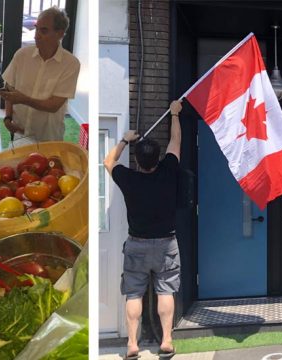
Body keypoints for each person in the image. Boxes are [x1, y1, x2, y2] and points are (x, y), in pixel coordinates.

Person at [104, 100, 183, 360]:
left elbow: (108, 161)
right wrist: (174, 114)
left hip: (137, 244)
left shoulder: (129, 178)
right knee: (166, 291)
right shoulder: (169, 171)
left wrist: (125, 139)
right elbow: (176, 142)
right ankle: (167, 341)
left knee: (134, 293)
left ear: (137, 160)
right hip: (166, 245)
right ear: (158, 158)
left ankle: (132, 345)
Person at [0, 6, 80, 145]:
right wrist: (7, 117)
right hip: (20, 133)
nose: (36, 35)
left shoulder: (71, 64)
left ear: (60, 34)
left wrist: (23, 99)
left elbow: (53, 106)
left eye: (43, 31)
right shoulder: (22, 55)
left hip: (49, 137)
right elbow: (9, 89)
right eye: (36, 28)